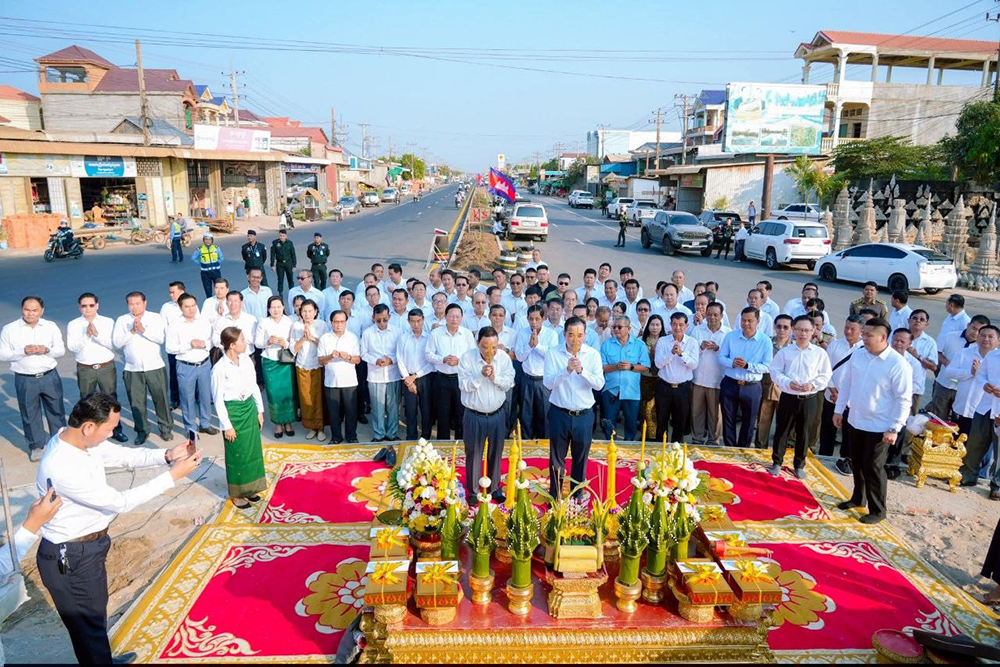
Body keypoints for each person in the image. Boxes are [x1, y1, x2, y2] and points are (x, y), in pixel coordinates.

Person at [36, 392, 202, 665]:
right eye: (109, 429)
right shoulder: (63, 465)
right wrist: (172, 476)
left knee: (94, 621)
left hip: (88, 548)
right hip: (71, 555)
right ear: (88, 426)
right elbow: (120, 502)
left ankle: (103, 660)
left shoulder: (78, 440)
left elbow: (123, 456)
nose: (112, 434)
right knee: (88, 628)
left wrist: (167, 455)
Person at [834, 318, 912, 524]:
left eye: (869, 335)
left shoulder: (897, 364)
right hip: (856, 420)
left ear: (883, 337)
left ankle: (878, 510)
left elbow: (904, 399)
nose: (864, 338)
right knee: (857, 462)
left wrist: (894, 428)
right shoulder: (859, 355)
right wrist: (839, 410)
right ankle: (858, 498)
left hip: (880, 426)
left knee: (874, 467)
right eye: (864, 334)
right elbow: (847, 383)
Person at [543, 317, 604, 498]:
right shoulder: (553, 353)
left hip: (583, 415)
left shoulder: (592, 354)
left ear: (585, 335)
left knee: (580, 458)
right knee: (556, 459)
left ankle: (576, 497)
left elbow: (599, 384)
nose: (575, 339)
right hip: (559, 413)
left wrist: (582, 371)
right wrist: (566, 371)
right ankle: (555, 497)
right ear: (564, 335)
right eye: (571, 335)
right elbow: (548, 383)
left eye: (579, 335)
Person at [0, 296, 67, 461]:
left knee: (56, 411)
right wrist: (22, 351)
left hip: (49, 376)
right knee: (30, 414)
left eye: (35, 310)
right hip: (25, 379)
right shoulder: (10, 329)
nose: (30, 313)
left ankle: (59, 443)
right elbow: (3, 354)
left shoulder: (50, 326)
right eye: (27, 310)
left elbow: (60, 350)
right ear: (22, 309)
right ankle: (37, 446)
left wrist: (47, 350)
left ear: (41, 311)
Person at [768, 316, 832, 479]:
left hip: (809, 398)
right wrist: (788, 383)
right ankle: (777, 461)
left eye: (807, 330)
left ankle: (799, 464)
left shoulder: (819, 353)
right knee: (782, 430)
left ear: (813, 331)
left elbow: (825, 375)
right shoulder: (785, 352)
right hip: (789, 397)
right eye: (799, 330)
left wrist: (813, 385)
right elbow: (775, 372)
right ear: (793, 330)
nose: (803, 334)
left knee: (804, 432)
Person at [459, 326, 515, 504]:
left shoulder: (503, 358)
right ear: (478, 344)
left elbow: (509, 383)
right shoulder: (467, 358)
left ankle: (494, 487)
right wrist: (480, 376)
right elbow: (464, 385)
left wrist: (494, 378)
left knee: (496, 451)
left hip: (497, 414)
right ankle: (473, 490)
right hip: (474, 415)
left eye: (494, 347)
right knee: (474, 453)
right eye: (485, 347)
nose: (490, 351)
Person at [212, 327, 266, 509]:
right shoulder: (219, 368)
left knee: (252, 450)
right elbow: (218, 400)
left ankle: (251, 488)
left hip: (248, 408)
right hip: (233, 412)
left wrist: (259, 410)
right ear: (232, 345)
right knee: (237, 453)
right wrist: (227, 425)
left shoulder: (246, 361)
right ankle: (237, 494)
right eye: (242, 340)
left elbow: (254, 385)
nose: (245, 342)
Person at [67, 293, 129, 444]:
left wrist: (96, 335)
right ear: (79, 307)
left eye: (91, 305)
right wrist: (87, 336)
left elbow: (113, 344)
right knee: (87, 401)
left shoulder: (107, 322)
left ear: (97, 306)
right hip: (86, 368)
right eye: (84, 306)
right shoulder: (73, 324)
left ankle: (115, 430)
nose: (88, 309)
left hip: (105, 367)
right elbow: (72, 347)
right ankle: (90, 432)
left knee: (111, 400)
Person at [112, 292, 173, 445]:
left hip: (155, 366)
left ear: (145, 303)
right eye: (131, 304)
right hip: (133, 369)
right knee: (137, 403)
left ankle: (165, 428)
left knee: (161, 399)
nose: (134, 307)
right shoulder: (122, 320)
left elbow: (161, 338)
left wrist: (143, 330)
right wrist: (132, 331)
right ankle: (142, 431)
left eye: (137, 303)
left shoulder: (155, 317)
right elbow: (117, 343)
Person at [718, 307, 774, 447]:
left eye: (750, 320)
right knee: (728, 419)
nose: (746, 323)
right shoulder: (731, 336)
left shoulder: (765, 341)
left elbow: (767, 366)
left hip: (751, 386)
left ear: (758, 321)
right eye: (743, 320)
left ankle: (744, 449)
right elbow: (721, 357)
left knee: (749, 421)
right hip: (730, 383)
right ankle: (730, 448)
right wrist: (732, 363)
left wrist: (748, 365)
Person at [165, 292, 218, 438]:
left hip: (204, 364)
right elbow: (170, 348)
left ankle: (205, 424)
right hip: (186, 366)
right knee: (187, 399)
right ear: (180, 307)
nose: (191, 309)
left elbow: (211, 341)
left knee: (205, 396)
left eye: (193, 305)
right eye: (187, 307)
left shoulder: (203, 322)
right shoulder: (175, 325)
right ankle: (191, 428)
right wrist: (189, 345)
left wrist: (204, 344)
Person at [820, 315, 864, 475]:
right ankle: (824, 457)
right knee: (827, 430)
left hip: (852, 401)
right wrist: (834, 392)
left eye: (853, 329)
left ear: (861, 331)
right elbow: (826, 370)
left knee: (849, 433)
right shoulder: (835, 345)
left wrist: (845, 397)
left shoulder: (864, 350)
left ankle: (846, 460)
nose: (848, 331)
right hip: (831, 396)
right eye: (846, 327)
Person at [426, 303, 476, 439]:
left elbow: (473, 356)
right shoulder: (436, 334)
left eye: (457, 316)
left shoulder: (467, 334)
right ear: (445, 317)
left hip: (460, 378)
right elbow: (428, 354)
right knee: (443, 414)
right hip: (442, 379)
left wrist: (459, 361)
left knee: (461, 412)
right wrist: (443, 359)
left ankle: (462, 443)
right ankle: (443, 444)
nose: (454, 319)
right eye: (451, 316)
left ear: (461, 318)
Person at [599, 315, 649, 441]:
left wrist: (631, 367)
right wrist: (616, 366)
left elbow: (645, 367)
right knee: (609, 422)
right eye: (614, 327)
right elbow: (602, 367)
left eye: (619, 327)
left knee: (631, 423)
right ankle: (611, 445)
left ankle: (629, 446)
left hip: (631, 391)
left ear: (629, 328)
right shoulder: (606, 345)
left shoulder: (639, 345)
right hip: (611, 390)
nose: (616, 329)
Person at [932, 314, 989, 419]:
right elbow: (937, 352)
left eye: (980, 331)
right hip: (944, 383)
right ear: (968, 325)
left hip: (963, 391)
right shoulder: (950, 336)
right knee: (938, 418)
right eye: (973, 328)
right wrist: (946, 362)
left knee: (957, 420)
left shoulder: (981, 347)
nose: (975, 333)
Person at [255, 296, 296, 439]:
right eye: (273, 307)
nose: (276, 310)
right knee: (273, 394)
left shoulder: (289, 322)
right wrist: (268, 342)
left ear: (283, 307)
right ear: (268, 309)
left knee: (288, 393)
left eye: (279, 307)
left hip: (285, 362)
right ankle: (278, 424)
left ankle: (289, 422)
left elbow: (293, 342)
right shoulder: (264, 322)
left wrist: (285, 343)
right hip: (270, 362)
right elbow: (257, 342)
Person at [318, 310, 361, 445]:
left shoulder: (352, 337)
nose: (339, 325)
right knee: (334, 412)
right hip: (331, 382)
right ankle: (336, 437)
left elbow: (358, 359)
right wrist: (331, 356)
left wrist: (348, 357)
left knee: (351, 411)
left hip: (349, 381)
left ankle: (351, 436)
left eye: (342, 322)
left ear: (346, 323)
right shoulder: (325, 338)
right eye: (336, 322)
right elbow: (320, 361)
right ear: (331, 322)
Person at [654, 312, 699, 443]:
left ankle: (676, 448)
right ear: (670, 324)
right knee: (661, 420)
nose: (677, 328)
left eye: (681, 324)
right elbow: (658, 363)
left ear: (686, 326)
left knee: (680, 421)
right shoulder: (663, 341)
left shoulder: (692, 342)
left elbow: (694, 364)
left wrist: (681, 354)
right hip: (664, 386)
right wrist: (671, 353)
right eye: (674, 324)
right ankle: (660, 447)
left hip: (683, 389)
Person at [514, 304, 558, 439]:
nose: (534, 322)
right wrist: (529, 346)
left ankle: (544, 443)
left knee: (544, 413)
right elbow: (519, 357)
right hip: (527, 378)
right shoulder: (522, 333)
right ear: (527, 319)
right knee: (526, 414)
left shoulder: (551, 334)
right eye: (531, 319)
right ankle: (526, 442)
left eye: (537, 319)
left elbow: (551, 356)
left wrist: (537, 345)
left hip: (543, 380)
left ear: (543, 318)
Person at [290, 300, 329, 441]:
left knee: (318, 397)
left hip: (317, 365)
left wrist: (311, 338)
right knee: (306, 397)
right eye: (304, 311)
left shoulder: (322, 325)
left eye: (310, 311)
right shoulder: (296, 326)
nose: (307, 314)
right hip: (302, 365)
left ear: (316, 312)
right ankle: (311, 427)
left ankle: (321, 427)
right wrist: (303, 337)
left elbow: (326, 347)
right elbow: (293, 349)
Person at [362, 304, 401, 443]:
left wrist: (391, 360)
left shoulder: (397, 332)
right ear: (373, 318)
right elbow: (363, 354)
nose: (382, 323)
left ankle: (392, 433)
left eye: (385, 319)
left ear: (389, 316)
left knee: (393, 406)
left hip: (392, 374)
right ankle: (379, 434)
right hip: (375, 375)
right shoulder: (367, 333)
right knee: (377, 408)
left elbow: (401, 352)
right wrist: (375, 361)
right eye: (378, 320)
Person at [691, 302, 729, 446]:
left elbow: (729, 356)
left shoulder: (728, 333)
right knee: (696, 412)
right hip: (698, 378)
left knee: (714, 414)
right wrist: (701, 347)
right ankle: (697, 439)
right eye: (709, 315)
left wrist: (718, 349)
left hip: (716, 380)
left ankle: (713, 440)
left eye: (715, 315)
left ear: (721, 316)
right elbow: (690, 351)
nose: (712, 317)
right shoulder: (697, 330)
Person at [397, 308, 434, 441]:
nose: (416, 324)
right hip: (408, 378)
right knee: (410, 409)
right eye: (412, 321)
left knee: (426, 408)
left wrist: (415, 376)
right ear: (408, 321)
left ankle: (426, 436)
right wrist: (408, 378)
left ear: (423, 320)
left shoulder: (429, 338)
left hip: (425, 377)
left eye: (418, 321)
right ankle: (411, 436)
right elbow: (400, 359)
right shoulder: (403, 338)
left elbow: (431, 362)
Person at [756, 314, 793, 449]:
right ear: (774, 327)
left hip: (785, 390)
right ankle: (760, 449)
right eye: (779, 326)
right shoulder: (767, 342)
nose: (781, 330)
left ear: (791, 328)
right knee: (763, 421)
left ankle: (780, 449)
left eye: (785, 327)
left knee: (784, 423)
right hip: (766, 387)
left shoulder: (794, 347)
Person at [191, 233, 223, 298]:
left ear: (212, 240)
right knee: (207, 289)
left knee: (219, 288)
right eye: (206, 239)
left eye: (209, 239)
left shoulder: (216, 248)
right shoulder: (200, 249)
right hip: (205, 273)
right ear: (203, 240)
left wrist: (216, 263)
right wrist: (200, 263)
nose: (208, 241)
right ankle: (209, 300)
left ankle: (220, 299)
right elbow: (193, 258)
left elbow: (221, 257)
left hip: (216, 272)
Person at [270, 229, 297, 298]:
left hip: (288, 263)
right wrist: (272, 264)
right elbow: (272, 254)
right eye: (280, 235)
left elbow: (293, 254)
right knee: (280, 279)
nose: (282, 237)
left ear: (286, 236)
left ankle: (291, 292)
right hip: (280, 263)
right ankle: (280, 293)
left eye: (283, 236)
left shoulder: (289, 243)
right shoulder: (275, 243)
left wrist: (294, 265)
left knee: (290, 278)